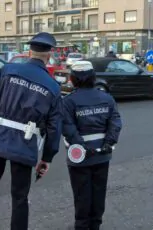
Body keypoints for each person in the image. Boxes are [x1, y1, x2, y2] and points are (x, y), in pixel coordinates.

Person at [0, 32, 63, 230]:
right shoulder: (52, 87)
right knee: (20, 197)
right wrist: (47, 158)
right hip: (24, 145)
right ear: (49, 54)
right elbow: (54, 128)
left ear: (29, 51)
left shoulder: (7, 70)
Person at [62, 61, 122, 230]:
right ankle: (95, 225)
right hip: (102, 155)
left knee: (82, 195)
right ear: (93, 78)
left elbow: (68, 128)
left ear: (73, 79)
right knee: (99, 193)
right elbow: (115, 122)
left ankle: (82, 226)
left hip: (79, 157)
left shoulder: (68, 101)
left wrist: (82, 146)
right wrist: (108, 142)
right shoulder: (107, 98)